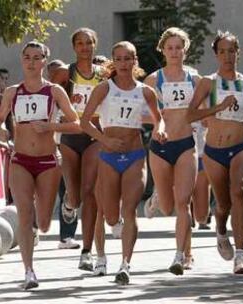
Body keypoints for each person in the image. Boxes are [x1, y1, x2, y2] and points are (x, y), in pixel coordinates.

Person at [0, 41, 79, 290]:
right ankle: (29, 271)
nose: (32, 62)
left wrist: (51, 126)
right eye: (27, 57)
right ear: (22, 61)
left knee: (42, 222)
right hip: (20, 160)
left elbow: (76, 123)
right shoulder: (12, 92)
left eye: (37, 57)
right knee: (24, 214)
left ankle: (58, 212)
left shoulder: (54, 92)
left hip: (48, 161)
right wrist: (2, 133)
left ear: (44, 61)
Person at [81, 41, 166, 284]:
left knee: (129, 209)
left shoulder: (145, 91)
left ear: (135, 61)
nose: (124, 63)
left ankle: (125, 264)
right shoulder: (104, 89)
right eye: (118, 59)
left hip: (135, 155)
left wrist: (160, 130)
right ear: (113, 62)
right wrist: (104, 139)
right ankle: (101, 257)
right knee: (106, 213)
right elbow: (84, 122)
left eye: (128, 58)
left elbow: (158, 119)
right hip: (108, 156)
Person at [187, 30, 243, 274]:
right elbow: (190, 114)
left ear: (238, 53)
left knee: (238, 191)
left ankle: (239, 256)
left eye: (232, 51)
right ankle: (221, 230)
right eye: (222, 51)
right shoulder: (208, 83)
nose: (227, 55)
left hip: (241, 146)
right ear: (216, 54)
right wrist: (217, 107)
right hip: (214, 151)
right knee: (223, 204)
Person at [144, 27, 200, 275]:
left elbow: (203, 111)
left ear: (185, 49)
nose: (175, 52)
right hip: (160, 147)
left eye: (179, 47)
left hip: (186, 144)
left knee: (183, 202)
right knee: (167, 207)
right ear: (163, 50)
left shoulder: (195, 79)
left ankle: (182, 254)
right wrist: (157, 124)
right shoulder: (153, 80)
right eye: (170, 48)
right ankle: (157, 195)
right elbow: (143, 114)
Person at [52, 28, 106, 274]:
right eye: (80, 43)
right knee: (74, 195)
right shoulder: (65, 73)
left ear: (95, 45)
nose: (85, 47)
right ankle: (69, 202)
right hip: (71, 135)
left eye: (89, 43)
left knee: (90, 191)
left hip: (94, 135)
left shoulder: (104, 74)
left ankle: (86, 251)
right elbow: (50, 98)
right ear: (74, 47)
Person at [47, 59, 80, 250]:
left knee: (67, 190)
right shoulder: (42, 93)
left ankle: (66, 236)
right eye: (53, 74)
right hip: (46, 149)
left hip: (66, 146)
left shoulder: (69, 96)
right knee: (43, 192)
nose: (57, 78)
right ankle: (34, 228)